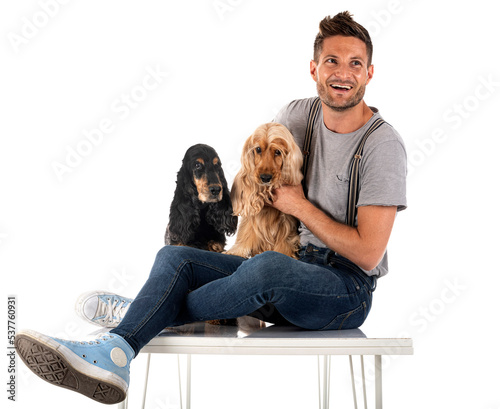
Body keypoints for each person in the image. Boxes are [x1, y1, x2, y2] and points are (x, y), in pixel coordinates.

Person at [15, 11, 407, 404]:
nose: (343, 73)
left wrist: (300, 207)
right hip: (288, 269)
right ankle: (116, 352)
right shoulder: (296, 115)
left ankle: (139, 313)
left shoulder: (381, 145)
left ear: (370, 73)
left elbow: (369, 253)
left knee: (266, 266)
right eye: (332, 61)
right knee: (175, 258)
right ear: (314, 69)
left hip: (343, 290)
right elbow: (251, 177)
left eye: (355, 63)